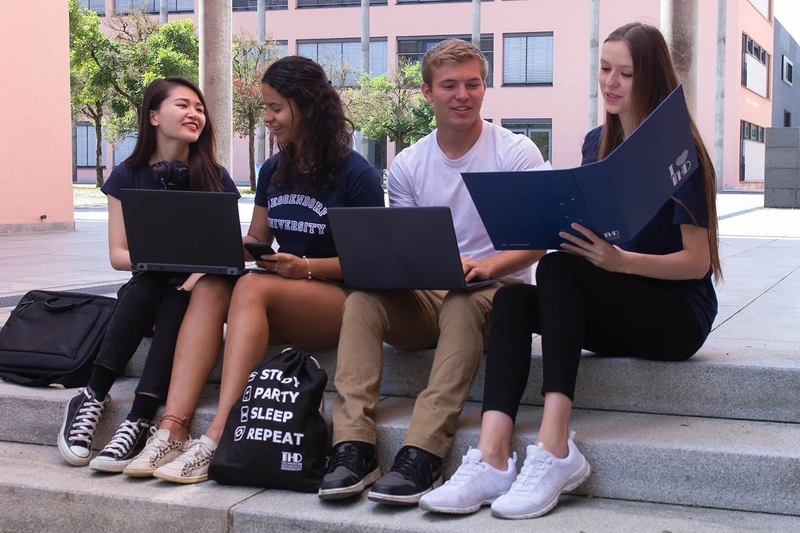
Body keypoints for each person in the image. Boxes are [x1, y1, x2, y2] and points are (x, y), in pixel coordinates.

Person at [419, 22, 722, 519]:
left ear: (650, 78)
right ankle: (494, 455)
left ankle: (557, 446)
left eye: (625, 73)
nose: (611, 83)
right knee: (515, 300)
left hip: (675, 316)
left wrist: (620, 261)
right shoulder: (594, 143)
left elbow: (698, 263)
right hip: (615, 303)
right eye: (605, 69)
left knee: (559, 269)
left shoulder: (680, 151)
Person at [122, 55, 385, 483]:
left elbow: (372, 261)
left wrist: (306, 268)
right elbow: (255, 238)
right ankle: (172, 427)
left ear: (308, 106)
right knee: (211, 284)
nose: (268, 118)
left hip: (339, 300)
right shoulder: (273, 169)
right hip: (283, 291)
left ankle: (220, 434)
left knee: (251, 289)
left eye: (276, 108)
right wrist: (211, 253)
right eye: (265, 108)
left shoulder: (356, 174)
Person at [319, 39, 545, 505]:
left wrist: (484, 266)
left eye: (472, 83)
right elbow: (403, 247)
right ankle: (353, 446)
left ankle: (423, 452)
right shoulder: (407, 164)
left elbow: (536, 241)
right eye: (449, 85)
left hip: (494, 294)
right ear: (426, 92)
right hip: (427, 295)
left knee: (463, 300)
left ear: (484, 88)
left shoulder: (516, 153)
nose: (462, 94)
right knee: (361, 300)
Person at [58, 77, 238, 471]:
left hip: (191, 291)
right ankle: (91, 397)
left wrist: (190, 277)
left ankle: (139, 417)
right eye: (183, 105)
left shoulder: (217, 179)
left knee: (174, 300)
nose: (195, 114)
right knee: (144, 287)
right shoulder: (127, 176)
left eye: (200, 108)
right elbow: (119, 256)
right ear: (154, 116)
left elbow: (226, 255)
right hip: (145, 288)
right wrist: (165, 262)